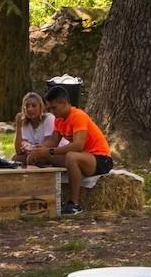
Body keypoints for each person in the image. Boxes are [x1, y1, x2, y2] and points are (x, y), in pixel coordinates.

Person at [26, 86, 112, 216]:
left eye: (54, 108)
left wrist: (49, 151)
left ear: (64, 103)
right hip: (84, 157)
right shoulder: (58, 119)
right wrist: (38, 150)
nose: (52, 112)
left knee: (71, 156)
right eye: (49, 109)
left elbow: (78, 145)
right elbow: (53, 141)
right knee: (43, 157)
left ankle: (74, 204)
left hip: (100, 159)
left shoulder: (78, 116)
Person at [13, 92, 55, 166]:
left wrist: (31, 149)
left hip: (50, 152)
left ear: (40, 107)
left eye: (34, 106)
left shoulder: (49, 118)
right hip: (34, 154)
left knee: (34, 158)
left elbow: (49, 143)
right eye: (27, 106)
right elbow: (19, 151)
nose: (30, 109)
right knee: (16, 158)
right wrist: (18, 126)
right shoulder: (25, 123)